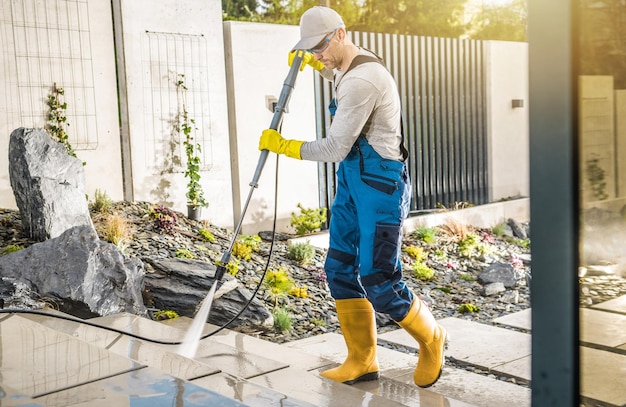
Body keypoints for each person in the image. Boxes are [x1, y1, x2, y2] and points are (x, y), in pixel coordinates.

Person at [258, 6, 447, 388]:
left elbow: (334, 147)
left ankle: (432, 338)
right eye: (311, 49)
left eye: (321, 47)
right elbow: (337, 73)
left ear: (341, 33)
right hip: (352, 186)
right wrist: (318, 67)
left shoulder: (365, 79)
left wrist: (284, 146)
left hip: (380, 188)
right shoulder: (347, 67)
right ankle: (362, 360)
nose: (318, 54)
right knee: (340, 268)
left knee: (378, 278)